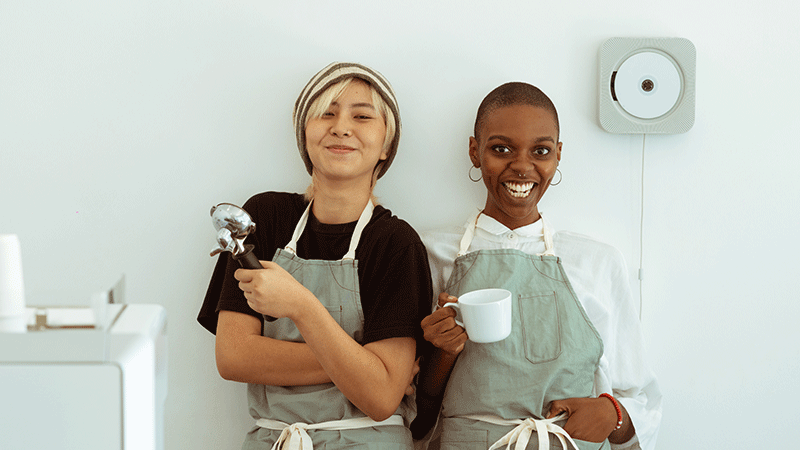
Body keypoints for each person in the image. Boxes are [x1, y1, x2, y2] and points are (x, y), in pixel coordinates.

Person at [410, 82, 661, 450]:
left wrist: (612, 414)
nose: (522, 167)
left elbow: (639, 400)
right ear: (474, 152)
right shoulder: (429, 252)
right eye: (501, 149)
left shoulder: (597, 261)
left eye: (540, 151)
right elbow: (412, 410)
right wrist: (442, 349)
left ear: (558, 155)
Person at [198, 62, 432, 450]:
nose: (341, 127)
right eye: (326, 113)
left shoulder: (396, 244)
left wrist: (301, 306)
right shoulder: (264, 219)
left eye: (362, 116)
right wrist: (363, 366)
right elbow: (234, 356)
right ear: (304, 133)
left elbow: (379, 401)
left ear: (386, 144)